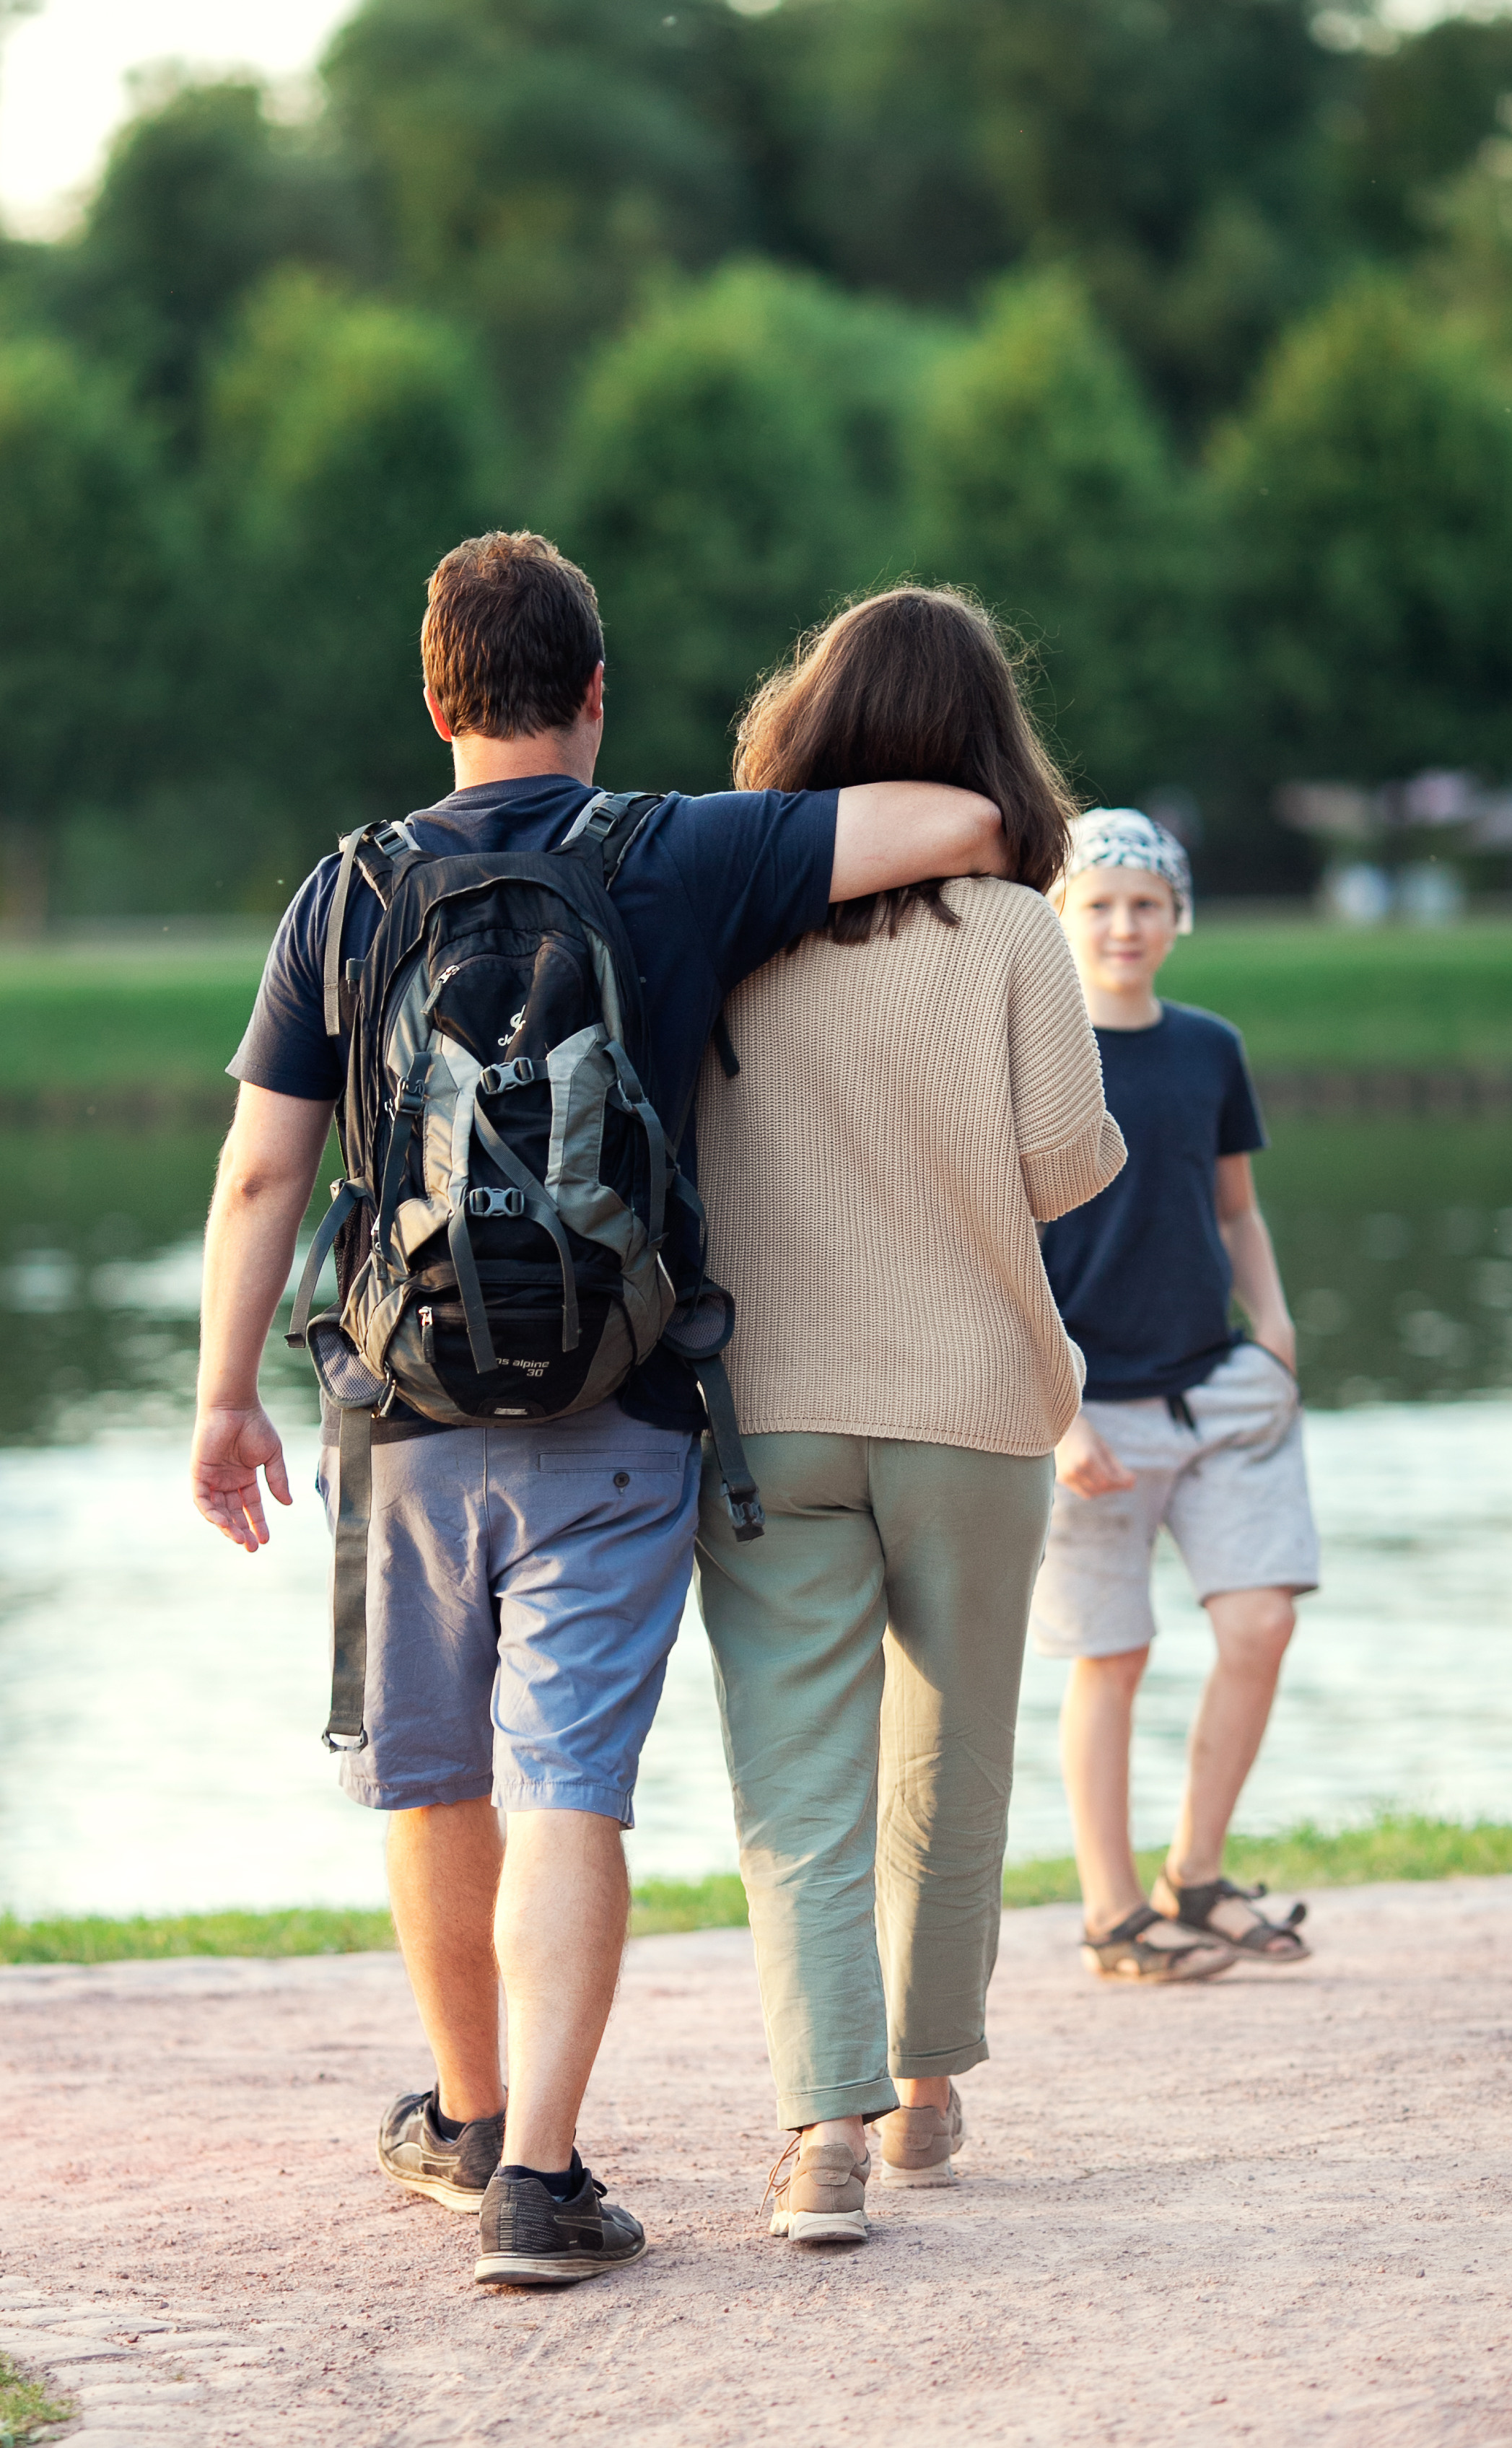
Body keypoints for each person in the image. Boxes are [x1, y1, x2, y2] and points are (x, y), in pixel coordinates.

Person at [188, 531, 1015, 2289]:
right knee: (573, 1780)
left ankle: (473, 2117)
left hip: (397, 1419)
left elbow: (264, 1175)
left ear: (432, 698)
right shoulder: (680, 849)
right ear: (595, 693)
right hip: (626, 1400)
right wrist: (808, 812)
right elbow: (966, 828)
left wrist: (217, 1400)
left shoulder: (342, 894)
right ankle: (542, 2183)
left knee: (431, 1775)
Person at [692, 587, 1127, 2247]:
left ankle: (823, 2136)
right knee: (948, 1756)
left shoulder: (732, 912)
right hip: (974, 1403)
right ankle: (929, 2080)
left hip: (773, 1408)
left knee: (796, 1783)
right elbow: (1063, 1166)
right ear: (983, 744)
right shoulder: (1018, 927)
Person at [1035, 808, 1320, 1983]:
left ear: (1177, 917)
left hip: (1216, 1392)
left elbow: (1234, 1211)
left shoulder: (1208, 1047)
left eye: (1145, 903)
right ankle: (1112, 1917)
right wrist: (1057, 1416)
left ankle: (1193, 1877)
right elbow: (997, 1248)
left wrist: (1279, 1323)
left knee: (1259, 1622)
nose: (1122, 924)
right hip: (1087, 1411)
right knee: (1112, 1659)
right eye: (1098, 902)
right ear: (1058, 914)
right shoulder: (1037, 1053)